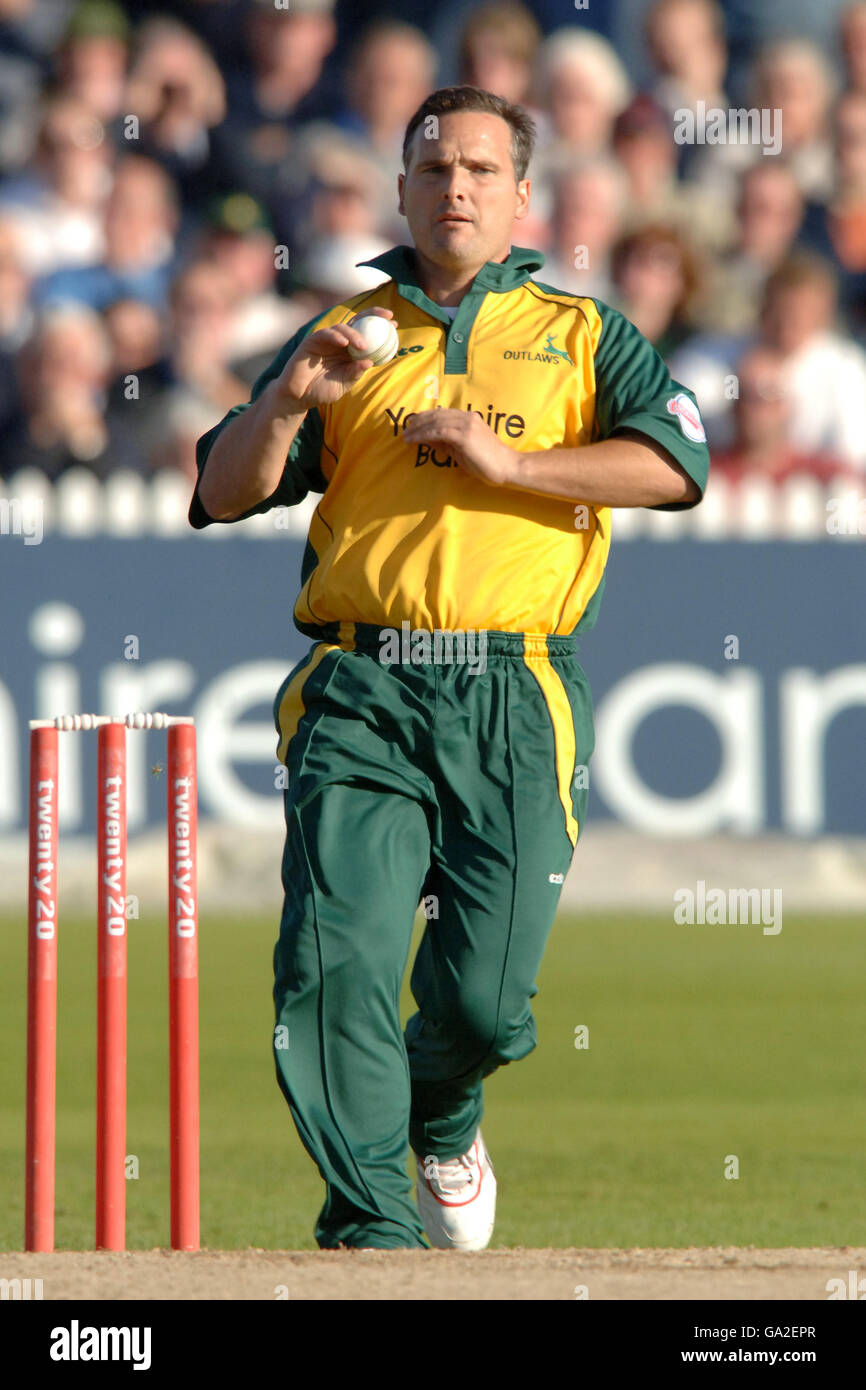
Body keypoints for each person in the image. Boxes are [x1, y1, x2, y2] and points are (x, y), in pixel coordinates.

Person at [189, 85, 709, 1252]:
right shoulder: (348, 328)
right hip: (363, 688)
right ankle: (370, 1229)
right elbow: (220, 491)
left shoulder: (583, 334)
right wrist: (284, 401)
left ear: (522, 196)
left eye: (480, 169)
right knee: (335, 962)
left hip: (515, 690)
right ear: (402, 191)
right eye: (433, 169)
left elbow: (674, 466)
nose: (455, 187)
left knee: (481, 999)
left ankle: (445, 1108)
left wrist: (509, 467)